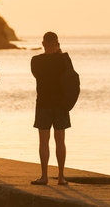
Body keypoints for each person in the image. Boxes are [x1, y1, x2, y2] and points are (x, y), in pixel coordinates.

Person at [30, 31, 73, 186]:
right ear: (57, 43)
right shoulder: (64, 59)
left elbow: (37, 75)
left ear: (43, 44)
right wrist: (59, 52)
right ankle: (61, 177)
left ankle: (44, 176)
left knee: (43, 141)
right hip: (61, 105)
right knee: (60, 141)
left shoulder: (35, 60)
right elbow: (71, 78)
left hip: (43, 104)